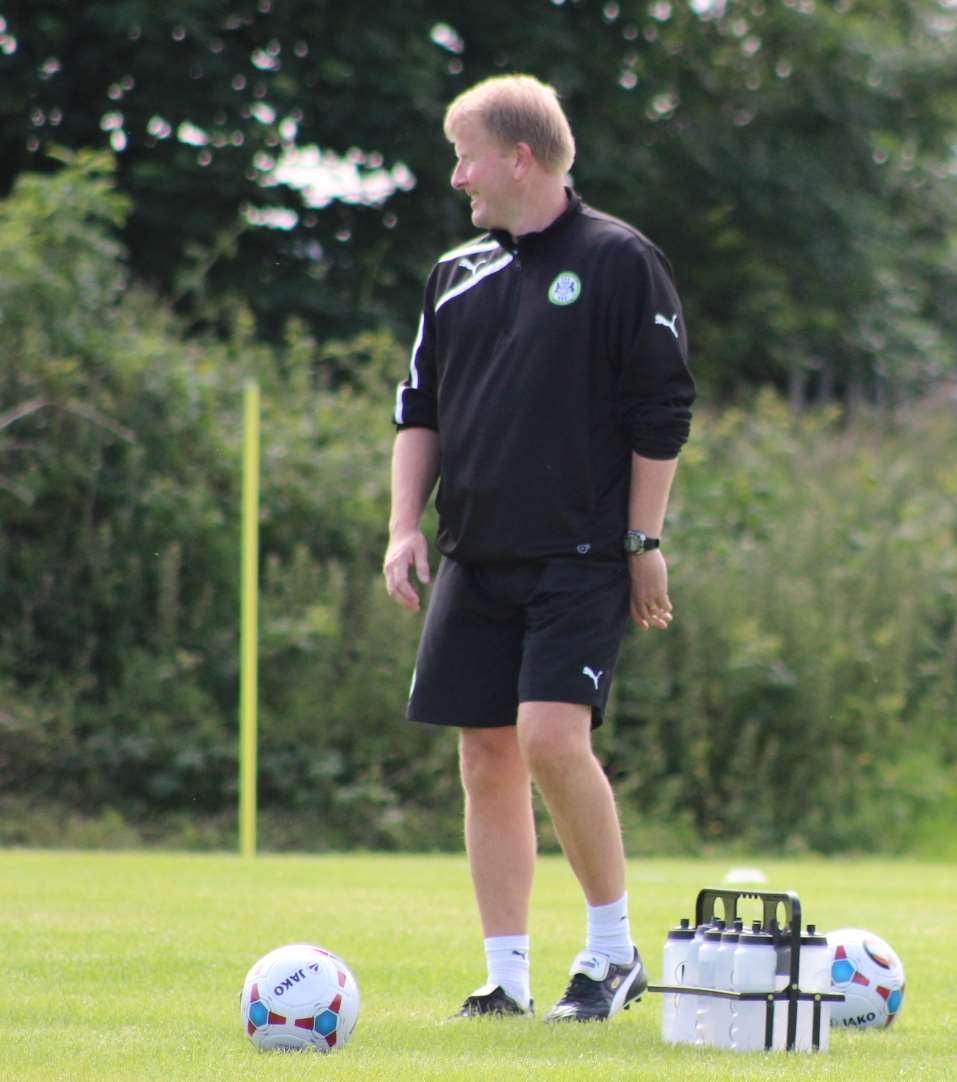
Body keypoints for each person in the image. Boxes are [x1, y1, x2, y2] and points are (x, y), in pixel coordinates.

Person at [383, 74, 696, 1023]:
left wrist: (644, 539)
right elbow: (419, 409)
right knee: (486, 754)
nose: (455, 176)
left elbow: (663, 409)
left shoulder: (617, 260)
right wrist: (404, 524)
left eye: (464, 153)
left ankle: (611, 955)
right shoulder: (455, 274)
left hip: (582, 554)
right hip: (476, 554)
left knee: (551, 739)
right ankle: (506, 977)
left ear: (519, 157)